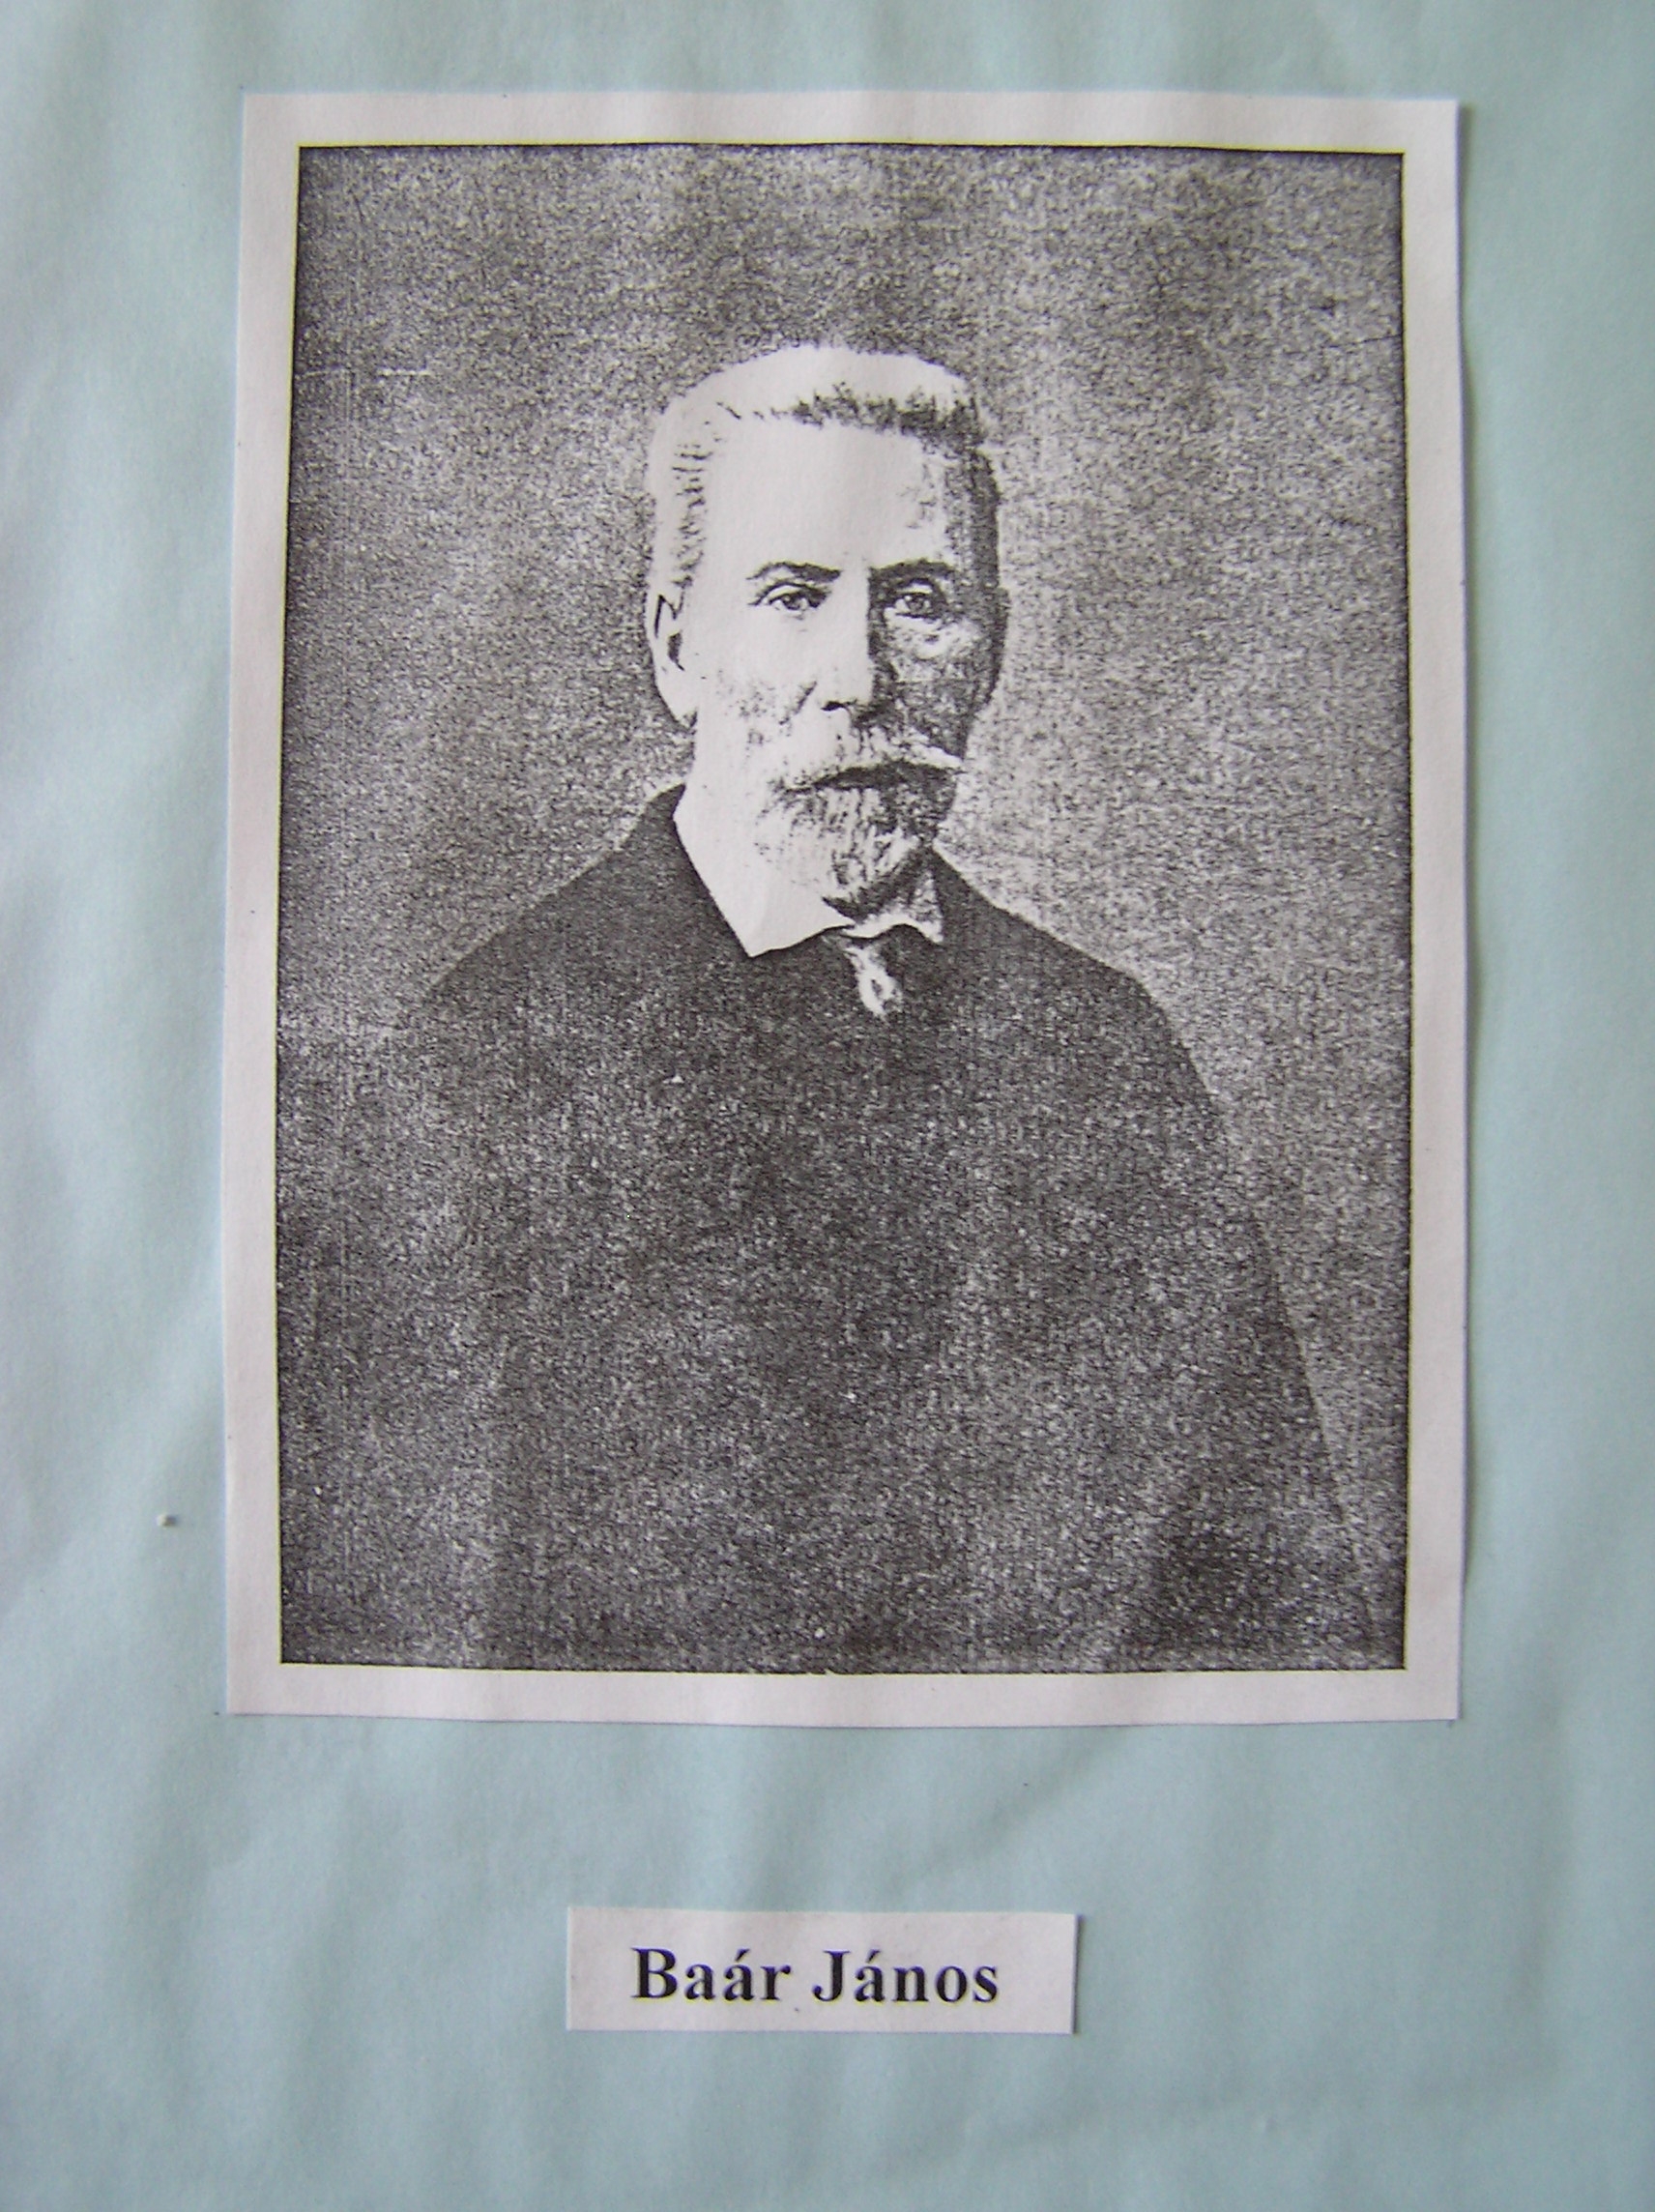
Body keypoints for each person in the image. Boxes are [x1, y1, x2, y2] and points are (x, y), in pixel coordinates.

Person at [280, 346, 1381, 1675]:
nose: (860, 677)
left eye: (919, 604)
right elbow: (407, 1673)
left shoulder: (1105, 1052)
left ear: (993, 650)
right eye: (793, 597)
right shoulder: (482, 1073)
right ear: (676, 648)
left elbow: (1279, 1620)